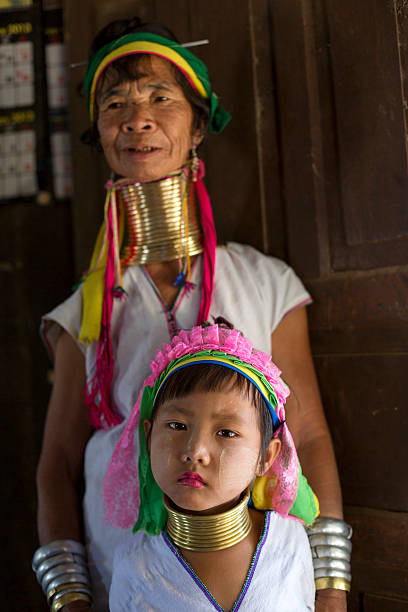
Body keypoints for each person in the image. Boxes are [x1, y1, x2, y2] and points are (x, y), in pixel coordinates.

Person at [34, 16, 350, 612]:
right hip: (125, 571)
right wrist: (69, 595)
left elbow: (306, 434)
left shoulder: (266, 283)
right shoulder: (84, 310)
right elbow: (57, 463)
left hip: (264, 578)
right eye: (115, 104)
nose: (137, 118)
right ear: (99, 133)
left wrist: (331, 587)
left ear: (199, 125)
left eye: (161, 98)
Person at [106, 321, 317, 611]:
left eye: (226, 433)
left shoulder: (289, 545)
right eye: (177, 425)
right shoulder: (134, 566)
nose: (195, 451)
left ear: (266, 457)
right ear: (149, 435)